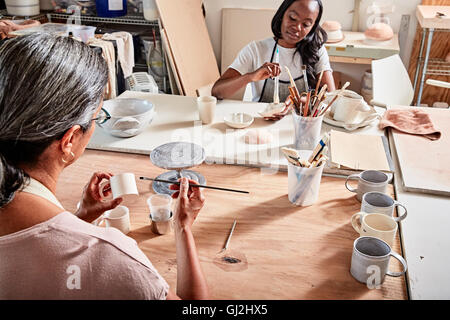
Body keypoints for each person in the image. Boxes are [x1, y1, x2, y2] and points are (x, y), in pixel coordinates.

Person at [0, 33, 208, 300]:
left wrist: (79, 219)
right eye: (98, 116)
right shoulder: (110, 255)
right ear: (70, 140)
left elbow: (31, 257)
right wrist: (182, 226)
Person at [212, 0, 335, 120]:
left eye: (306, 25)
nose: (297, 27)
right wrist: (250, 77)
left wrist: (309, 102)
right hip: (261, 126)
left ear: (312, 28)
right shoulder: (255, 50)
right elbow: (217, 92)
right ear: (282, 14)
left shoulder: (317, 51)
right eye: (292, 18)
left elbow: (330, 98)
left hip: (299, 127)